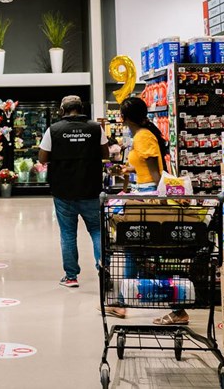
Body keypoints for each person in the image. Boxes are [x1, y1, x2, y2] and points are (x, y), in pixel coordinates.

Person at [107, 96, 189, 325]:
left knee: (143, 251)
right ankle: (122, 303)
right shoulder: (142, 135)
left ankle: (177, 308)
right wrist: (126, 169)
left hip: (148, 199)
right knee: (136, 250)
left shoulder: (143, 137)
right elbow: (145, 166)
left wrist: (162, 203)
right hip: (142, 195)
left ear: (123, 118)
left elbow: (155, 173)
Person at [38, 95, 108, 288]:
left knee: (68, 234)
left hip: (63, 190)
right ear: (81, 108)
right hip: (91, 188)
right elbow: (106, 154)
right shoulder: (95, 128)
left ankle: (71, 277)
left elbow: (43, 157)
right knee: (96, 230)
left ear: (62, 110)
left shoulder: (54, 130)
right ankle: (105, 273)